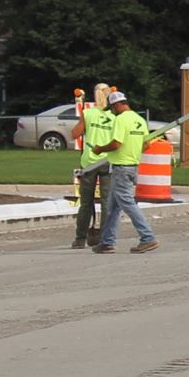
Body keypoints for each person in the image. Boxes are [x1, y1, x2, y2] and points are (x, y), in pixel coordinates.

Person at [90, 90, 160, 255]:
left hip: (121, 166)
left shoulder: (121, 119)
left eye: (112, 107)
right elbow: (147, 144)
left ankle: (147, 237)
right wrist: (132, 150)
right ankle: (107, 242)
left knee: (127, 203)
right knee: (113, 206)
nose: (112, 111)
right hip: (132, 166)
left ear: (115, 105)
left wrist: (100, 149)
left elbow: (116, 144)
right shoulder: (139, 119)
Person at [70, 82, 113, 248]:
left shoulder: (87, 113)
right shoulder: (114, 117)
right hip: (108, 161)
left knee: (86, 202)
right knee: (106, 201)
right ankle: (104, 237)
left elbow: (75, 133)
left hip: (89, 162)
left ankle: (80, 239)